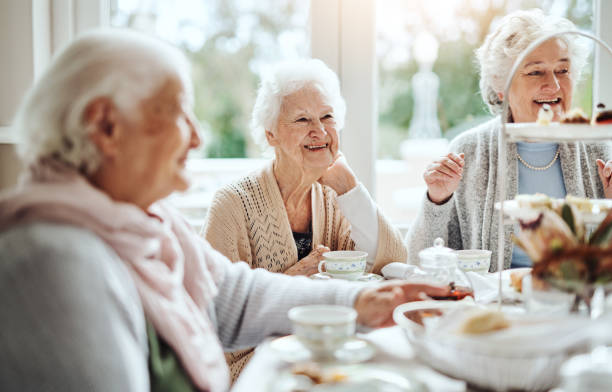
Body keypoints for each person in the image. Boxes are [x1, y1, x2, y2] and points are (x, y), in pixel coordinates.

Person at [0, 29, 447, 392]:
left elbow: (230, 295)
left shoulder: (147, 221)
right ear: (106, 127)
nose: (196, 136)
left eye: (327, 118)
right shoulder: (52, 262)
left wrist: (364, 301)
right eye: (176, 112)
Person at [203, 59, 409, 378]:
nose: (319, 130)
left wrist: (350, 189)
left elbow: (392, 261)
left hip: (332, 357)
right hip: (260, 370)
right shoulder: (233, 204)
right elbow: (212, 320)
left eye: (327, 116)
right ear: (271, 134)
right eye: (302, 119)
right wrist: (295, 278)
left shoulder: (333, 194)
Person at [407, 9, 612, 271]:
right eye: (535, 72)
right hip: (497, 304)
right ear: (501, 86)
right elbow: (418, 261)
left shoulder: (598, 147)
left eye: (562, 70)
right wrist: (436, 200)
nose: (555, 85)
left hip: (574, 299)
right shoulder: (467, 151)